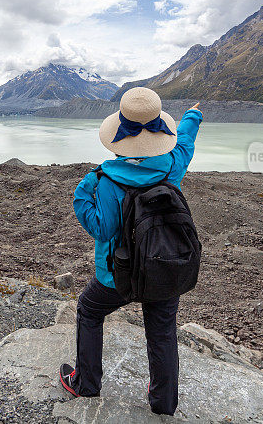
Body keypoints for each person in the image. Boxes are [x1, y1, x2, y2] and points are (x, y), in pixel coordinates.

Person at [59, 87, 203, 416]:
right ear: (158, 130)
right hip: (163, 267)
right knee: (162, 331)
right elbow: (185, 144)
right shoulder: (171, 165)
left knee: (89, 310)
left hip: (117, 276)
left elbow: (102, 229)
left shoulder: (108, 180)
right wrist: (193, 116)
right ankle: (164, 403)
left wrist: (84, 190)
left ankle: (86, 383)